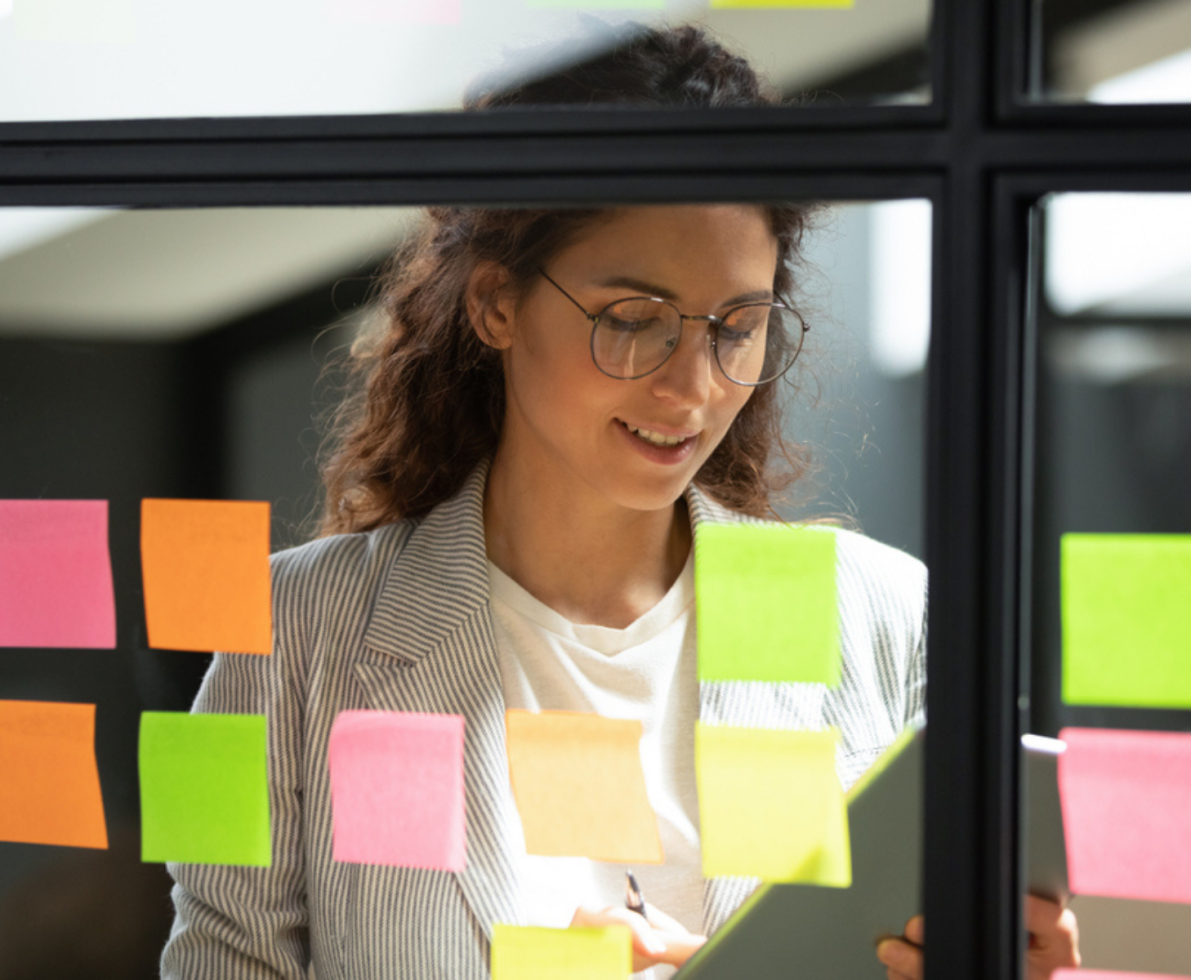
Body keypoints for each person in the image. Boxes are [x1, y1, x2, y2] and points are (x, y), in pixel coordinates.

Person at [161, 21, 1078, 980]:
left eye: (738, 326)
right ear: (496, 304)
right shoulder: (296, 632)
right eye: (632, 321)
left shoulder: (883, 616)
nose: (690, 388)